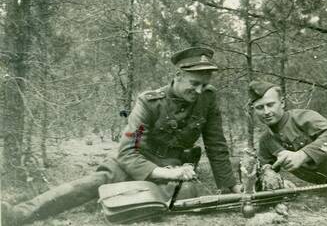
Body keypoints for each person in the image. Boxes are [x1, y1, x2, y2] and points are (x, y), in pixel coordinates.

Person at [2, 47, 240, 225]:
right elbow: (128, 150)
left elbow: (216, 144)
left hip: (171, 166)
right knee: (88, 186)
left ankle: (121, 198)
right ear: (177, 75)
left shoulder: (208, 99)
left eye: (203, 85)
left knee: (185, 195)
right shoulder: (149, 103)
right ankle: (18, 213)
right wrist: (165, 173)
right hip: (132, 162)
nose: (198, 91)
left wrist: (230, 186)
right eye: (194, 83)